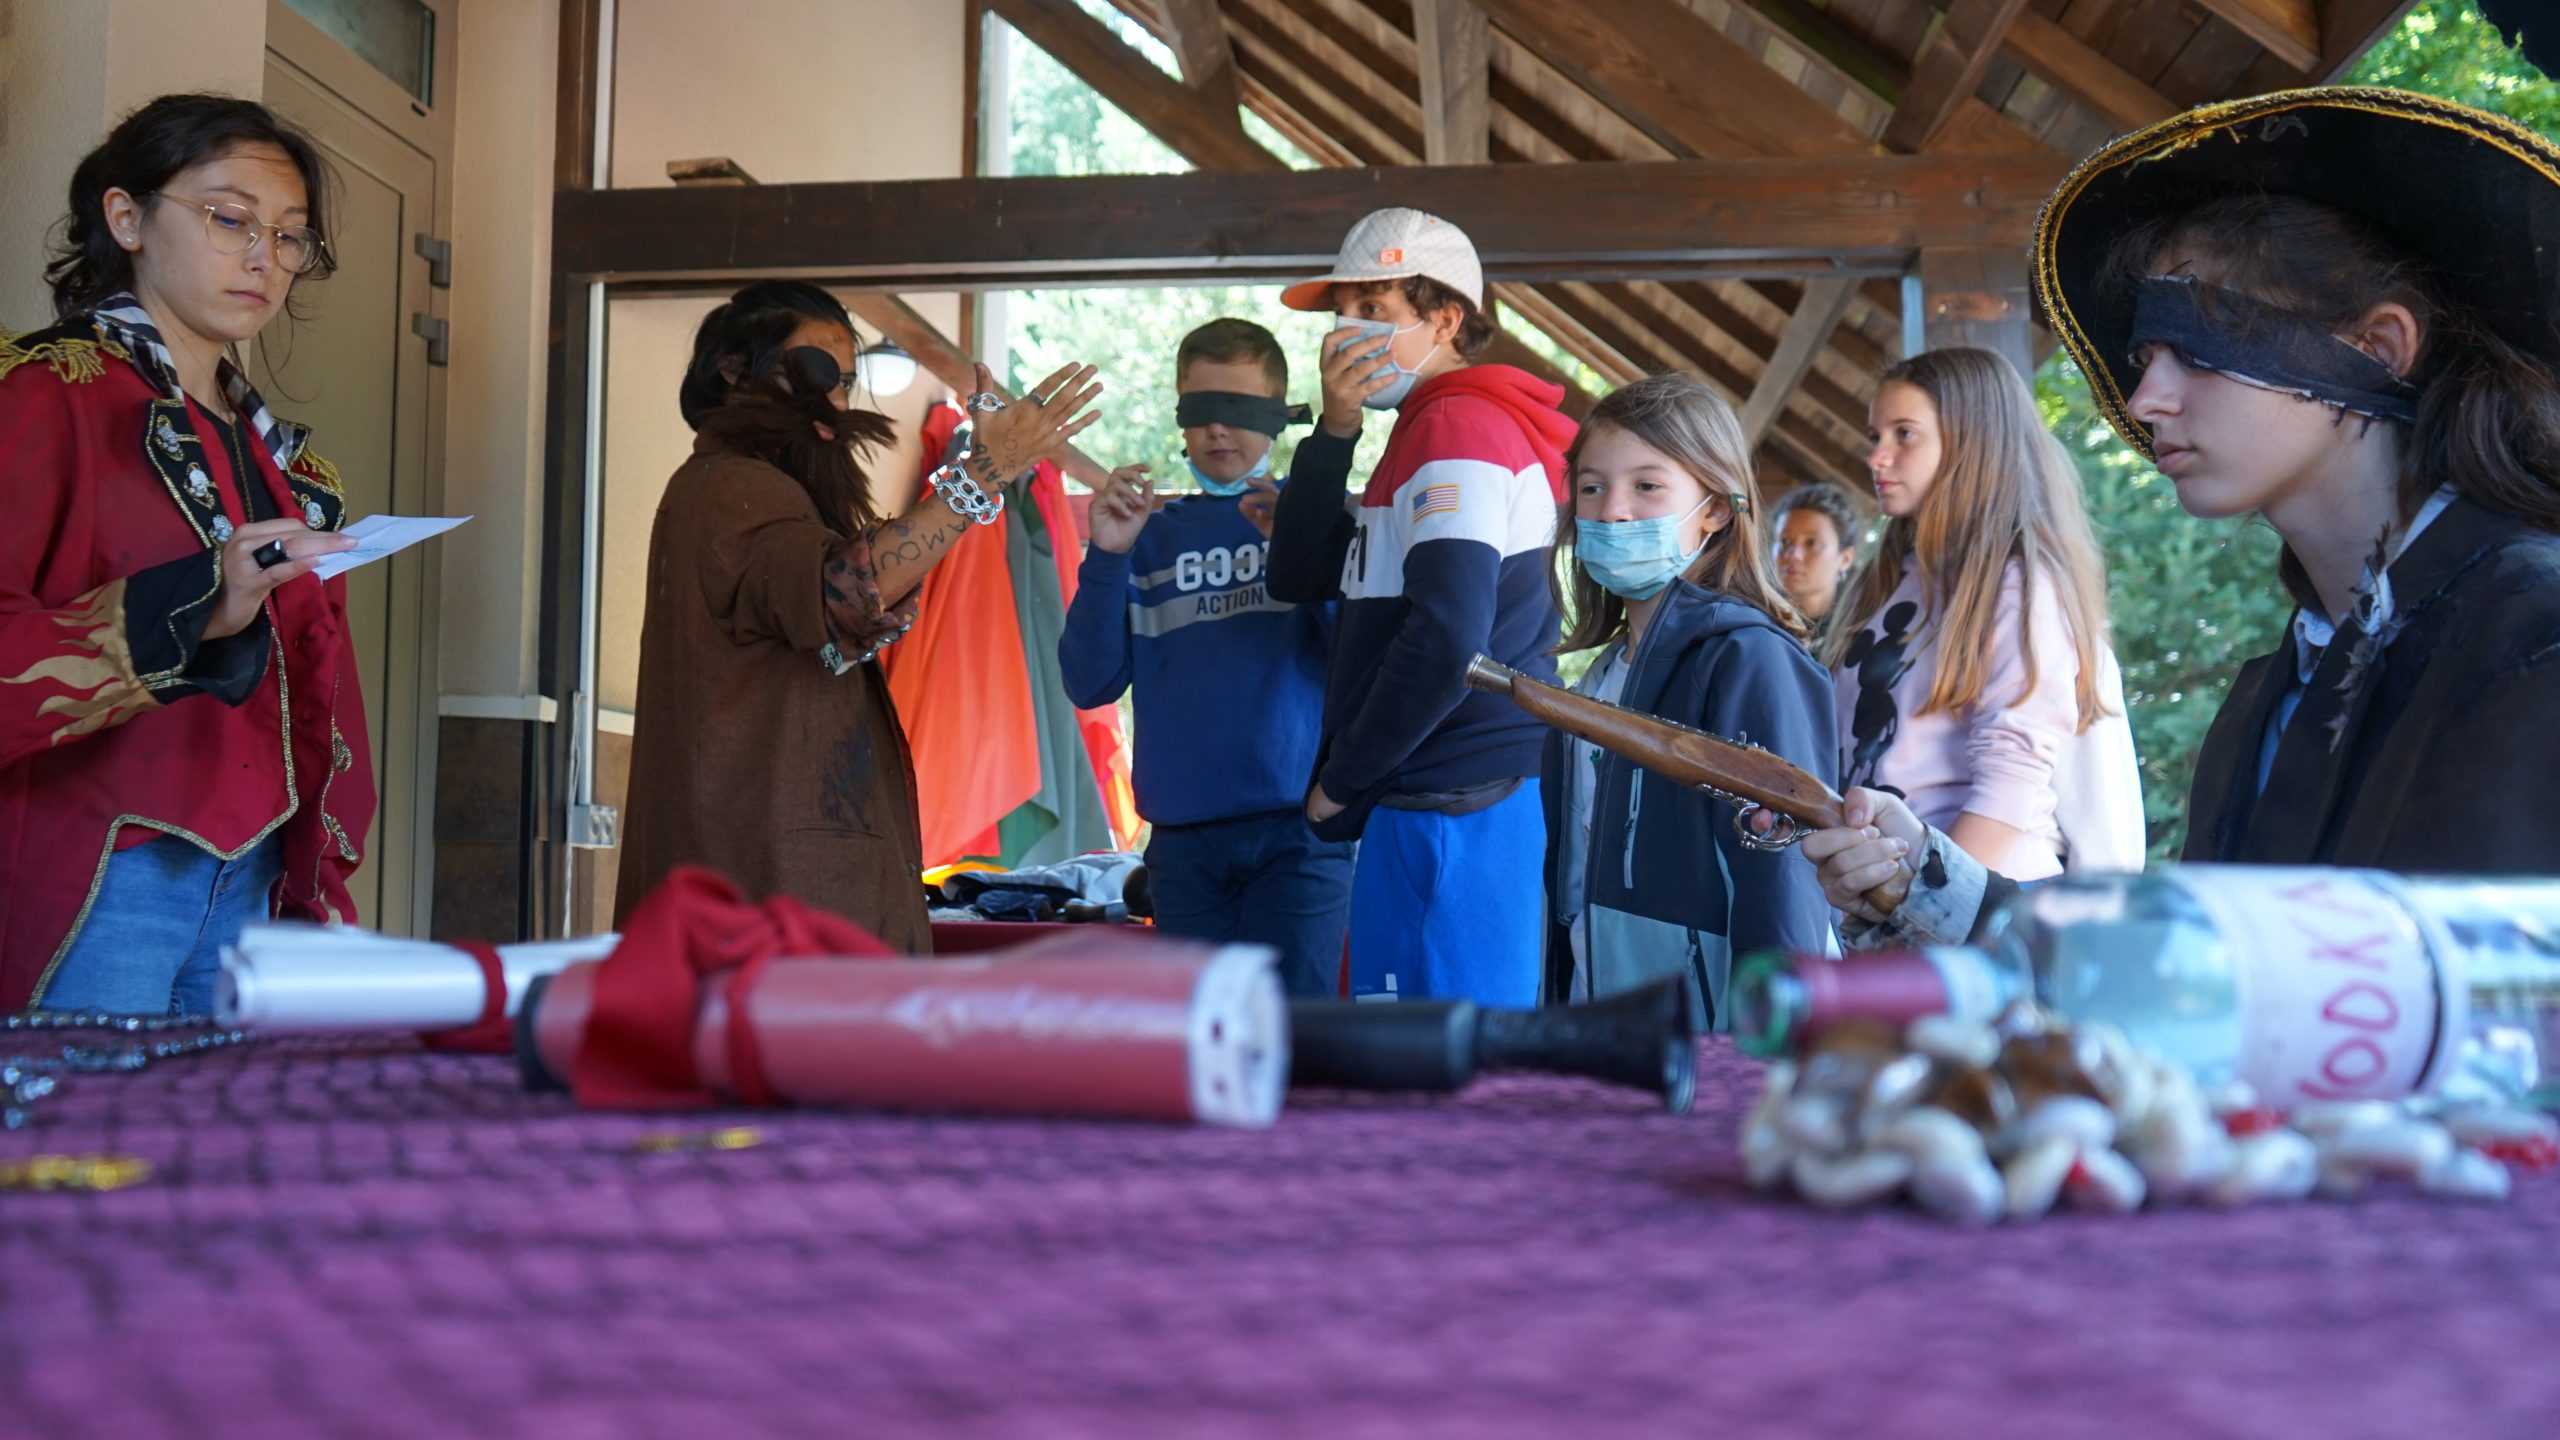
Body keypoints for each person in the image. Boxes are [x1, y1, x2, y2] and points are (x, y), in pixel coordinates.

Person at [1809, 88, 2560, 945]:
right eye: (2145, 355)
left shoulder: (2534, 635)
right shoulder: (2275, 694)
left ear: (2376, 349)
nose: (2145, 399)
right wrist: (1924, 876)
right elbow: (2216, 971)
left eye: (2198, 344)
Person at [0, 94, 373, 1015]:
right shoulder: (46, 396)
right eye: (230, 218)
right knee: (84, 1114)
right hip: (100, 865)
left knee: (226, 1115)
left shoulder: (282, 461)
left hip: (258, 871)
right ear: (126, 218)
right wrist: (197, 603)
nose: (264, 257)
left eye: (290, 236)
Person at [614, 280, 1099, 949]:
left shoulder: (741, 486)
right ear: (733, 371)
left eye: (845, 381)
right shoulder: (734, 486)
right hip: (768, 911)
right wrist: (985, 472)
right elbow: (852, 588)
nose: (836, 401)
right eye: (817, 373)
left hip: (766, 900)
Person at [1266, 207, 1575, 1007]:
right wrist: (1334, 430)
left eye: (1374, 308)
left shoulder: (1456, 425)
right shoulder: (1427, 428)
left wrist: (1343, 779)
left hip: (1452, 797)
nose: (1347, 333)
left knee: (1441, 1053)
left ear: (1445, 321)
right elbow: (1298, 574)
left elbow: (1447, 635)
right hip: (1442, 789)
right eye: (1342, 312)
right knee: (1425, 1045)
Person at [1060, 319, 1352, 996]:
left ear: (1279, 414)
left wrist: (1306, 550)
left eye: (1237, 408)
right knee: (1197, 1034)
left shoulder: (1328, 521)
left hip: (1301, 833)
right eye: (1200, 410)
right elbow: (1088, 682)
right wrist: (1107, 556)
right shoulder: (1146, 538)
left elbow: (1363, 662)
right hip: (1183, 845)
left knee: (1296, 1033)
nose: (1218, 429)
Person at [1542, 374, 1835, 1028]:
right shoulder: (1599, 677)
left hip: (1715, 1043)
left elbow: (1785, 880)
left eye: (1647, 486)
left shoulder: (1749, 660)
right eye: (1592, 487)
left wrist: (1768, 1045)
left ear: (1716, 509)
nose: (1613, 511)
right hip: (1606, 1021)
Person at [1825, 347, 2142, 883]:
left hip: (1982, 900)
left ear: (1972, 441)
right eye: (1876, 436)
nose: (1877, 457)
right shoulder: (1883, 581)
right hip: (1888, 897)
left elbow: (2010, 784)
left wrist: (1929, 902)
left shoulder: (2020, 585)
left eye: (1905, 434)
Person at [1767, 482, 1861, 626]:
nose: (1793, 555)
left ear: (1845, 559)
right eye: (1785, 540)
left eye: (1812, 543)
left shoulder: (1861, 626)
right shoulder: (1753, 617)